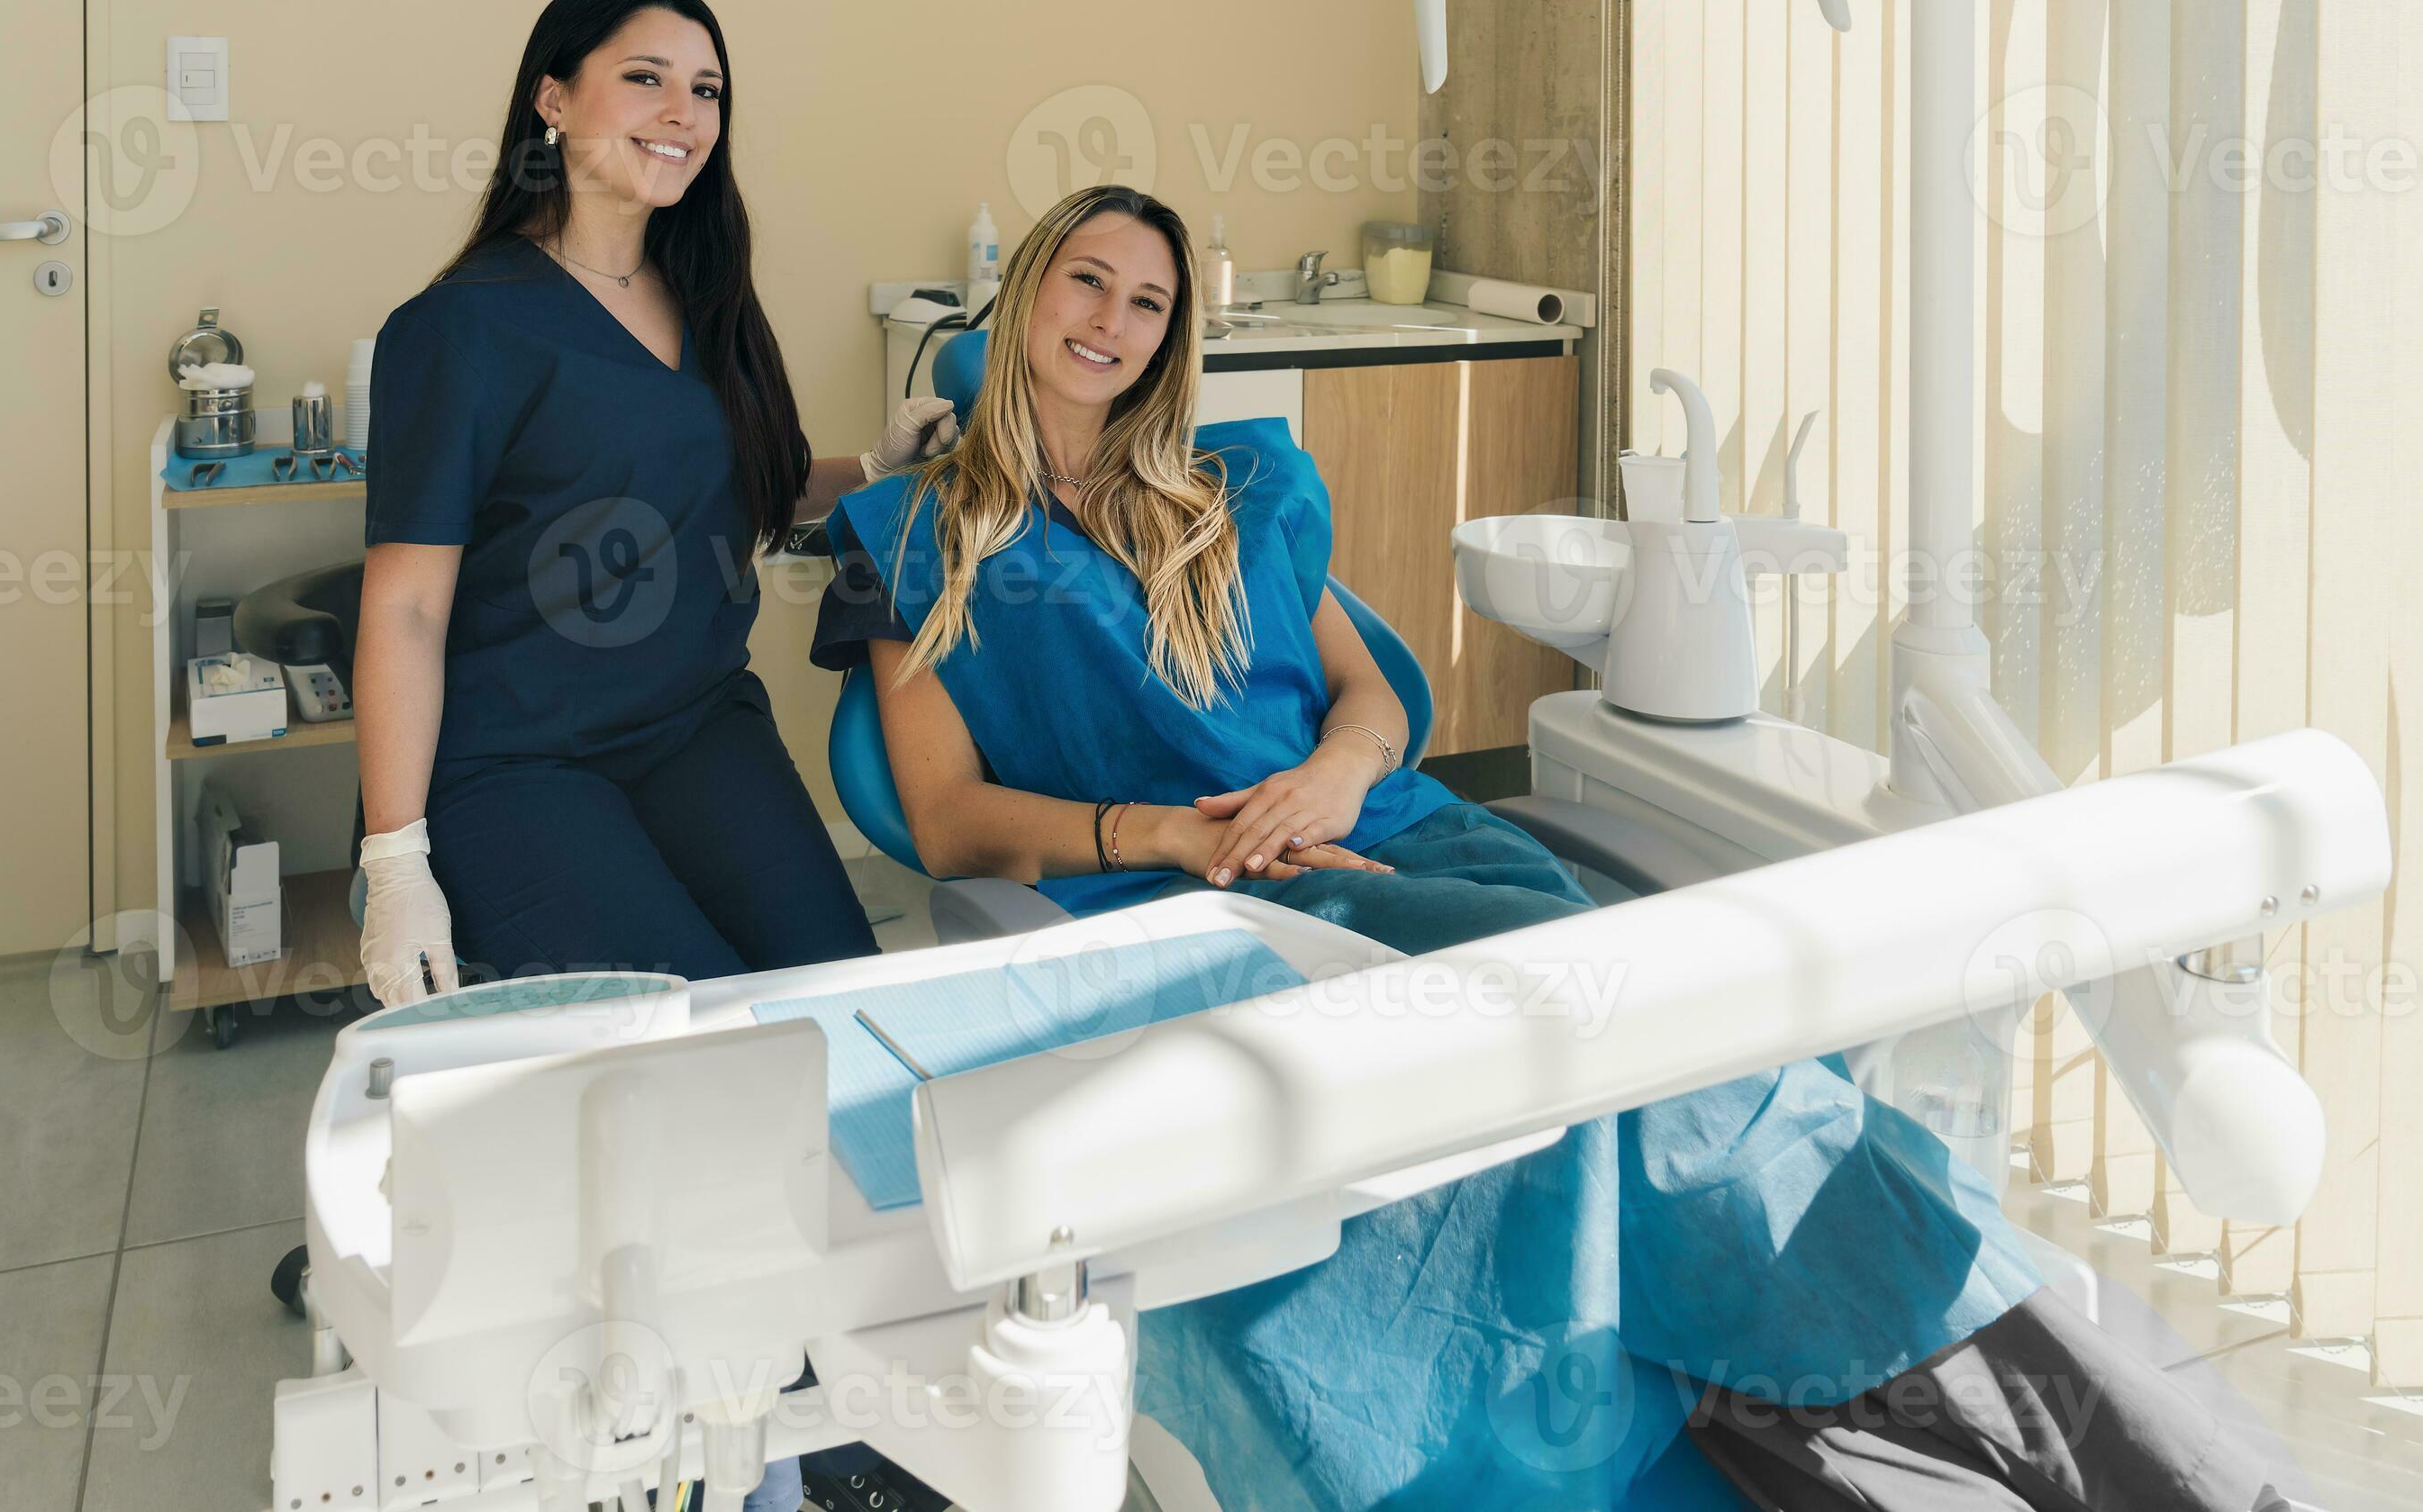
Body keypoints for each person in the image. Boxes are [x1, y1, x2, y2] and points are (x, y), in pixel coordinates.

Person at [808, 183, 2303, 1510]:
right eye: (1086, 281)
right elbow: (945, 819)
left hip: (1392, 839)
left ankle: (2131, 1454)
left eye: (1148, 302)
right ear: (1022, 300)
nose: (1113, 322)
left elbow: (1374, 691)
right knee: (1620, 1108)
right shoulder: (913, 535)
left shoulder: (1231, 492)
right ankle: (2074, 1453)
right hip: (1189, 911)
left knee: (1685, 1078)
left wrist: (1334, 774)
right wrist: (1168, 839)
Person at [353, 0, 957, 1512]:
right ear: (551, 100)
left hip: (692, 727)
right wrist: (393, 856)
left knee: (837, 1027)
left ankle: (848, 1401)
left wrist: (864, 467)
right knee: (698, 1063)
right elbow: (409, 609)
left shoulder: (705, 286)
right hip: (517, 765)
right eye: (645, 79)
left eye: (707, 90)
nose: (684, 115)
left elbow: (733, 491)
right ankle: (742, 1433)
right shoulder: (456, 333)